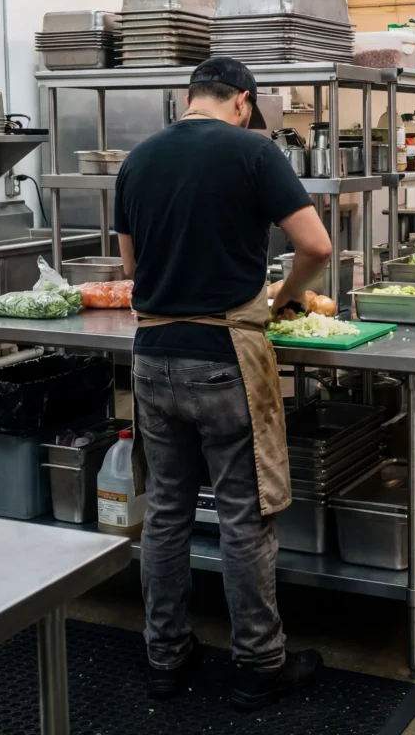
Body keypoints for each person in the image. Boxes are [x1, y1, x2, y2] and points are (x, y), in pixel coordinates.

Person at [114, 57, 332, 710]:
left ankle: (166, 657)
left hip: (153, 354)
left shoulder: (136, 160)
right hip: (225, 353)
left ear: (189, 98)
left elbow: (132, 266)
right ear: (244, 99)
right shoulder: (253, 152)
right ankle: (259, 665)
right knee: (243, 515)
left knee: (166, 513)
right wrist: (283, 296)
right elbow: (315, 245)